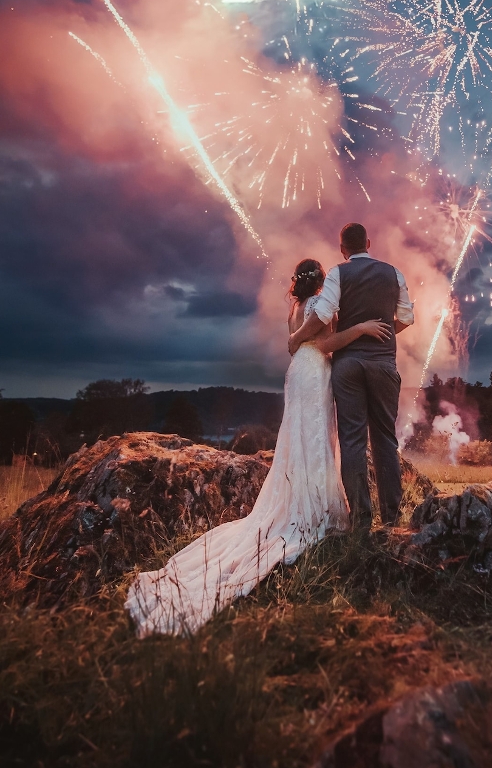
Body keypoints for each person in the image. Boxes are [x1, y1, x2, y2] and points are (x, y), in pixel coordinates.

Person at [125, 257, 390, 636]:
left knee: (299, 437)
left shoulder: (296, 307)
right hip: (315, 371)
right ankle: (315, 509)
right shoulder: (318, 306)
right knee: (314, 437)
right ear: (320, 283)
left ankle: (304, 500)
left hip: (298, 371)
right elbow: (327, 343)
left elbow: (292, 345)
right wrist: (362, 328)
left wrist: (300, 338)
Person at [289, 223, 414, 529]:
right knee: (385, 439)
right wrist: (382, 334)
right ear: (368, 243)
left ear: (342, 248)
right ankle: (392, 519)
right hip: (383, 364)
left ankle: (360, 520)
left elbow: (323, 314)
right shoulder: (394, 273)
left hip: (347, 366)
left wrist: (296, 338)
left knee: (353, 442)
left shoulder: (338, 273)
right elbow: (408, 318)